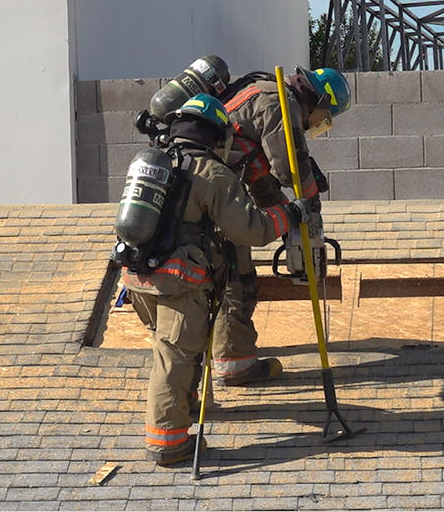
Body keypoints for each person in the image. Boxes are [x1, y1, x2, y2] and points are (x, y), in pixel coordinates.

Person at [120, 93, 312, 466]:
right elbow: (251, 229)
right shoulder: (211, 171)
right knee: (173, 358)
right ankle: (168, 443)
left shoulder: (154, 161)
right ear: (217, 134)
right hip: (180, 279)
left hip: (137, 277)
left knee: (177, 347)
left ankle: (187, 405)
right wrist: (291, 212)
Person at [200, 66, 351, 386]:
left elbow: (259, 173)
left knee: (212, 282)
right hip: (212, 197)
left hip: (203, 191)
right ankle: (233, 362)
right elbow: (289, 168)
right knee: (234, 280)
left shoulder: (262, 90)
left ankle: (204, 368)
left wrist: (290, 218)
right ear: (319, 100)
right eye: (323, 116)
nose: (315, 124)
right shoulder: (281, 105)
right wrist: (310, 211)